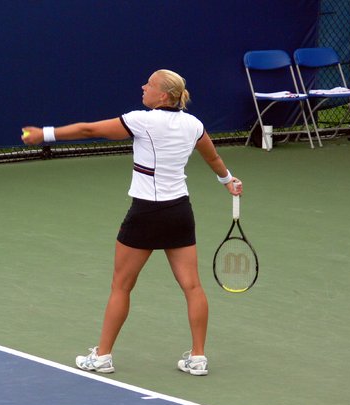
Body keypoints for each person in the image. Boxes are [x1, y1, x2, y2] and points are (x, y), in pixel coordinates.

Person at [22, 69, 242, 376]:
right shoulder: (194, 125)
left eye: (149, 84)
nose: (143, 87)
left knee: (121, 286)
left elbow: (88, 130)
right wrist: (228, 181)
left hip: (146, 214)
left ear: (163, 95)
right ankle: (198, 357)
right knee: (192, 286)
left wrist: (44, 134)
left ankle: (102, 357)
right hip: (179, 212)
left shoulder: (142, 120)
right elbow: (213, 158)